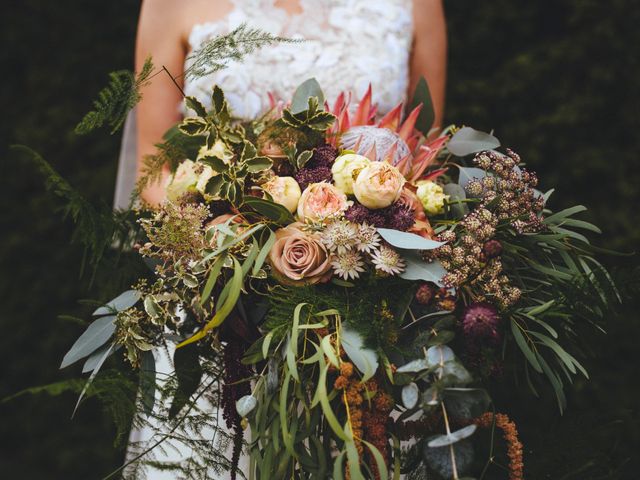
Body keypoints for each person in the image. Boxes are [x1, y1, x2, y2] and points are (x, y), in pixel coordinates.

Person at [120, 0, 447, 477]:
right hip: (224, 305)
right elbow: (151, 167)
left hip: (374, 311)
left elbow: (422, 153)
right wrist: (230, 241)